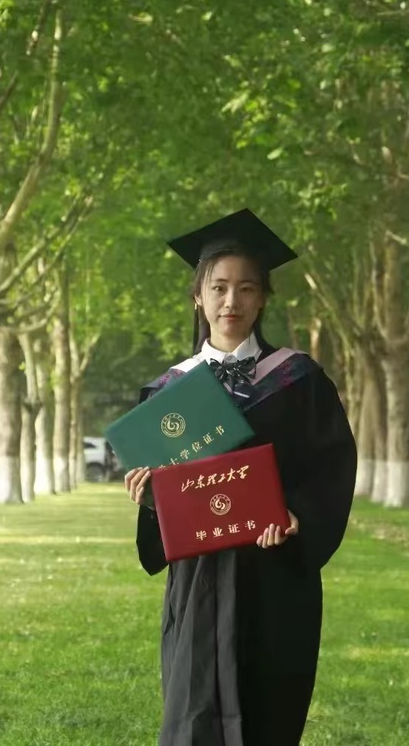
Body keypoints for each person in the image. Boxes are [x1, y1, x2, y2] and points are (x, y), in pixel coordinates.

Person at [125, 208, 357, 746]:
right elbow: (169, 489)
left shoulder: (299, 380)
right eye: (219, 288)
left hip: (275, 573)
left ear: (263, 299)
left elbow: (332, 464)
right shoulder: (169, 392)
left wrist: (298, 516)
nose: (232, 301)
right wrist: (150, 497)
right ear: (198, 297)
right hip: (200, 579)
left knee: (269, 711)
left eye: (246, 288)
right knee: (193, 715)